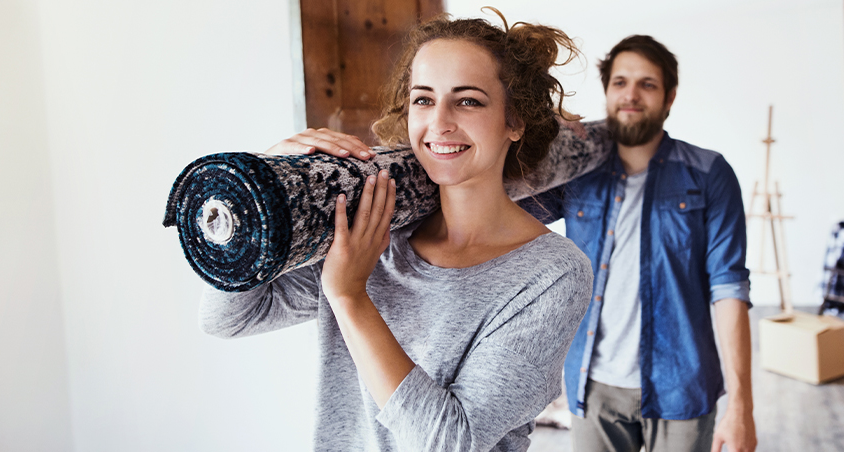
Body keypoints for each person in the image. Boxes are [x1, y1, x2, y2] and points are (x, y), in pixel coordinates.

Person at [198, 12, 594, 451]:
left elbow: (450, 441)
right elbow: (228, 318)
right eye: (423, 99)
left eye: (468, 101)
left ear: (514, 121)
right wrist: (257, 189)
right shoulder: (375, 231)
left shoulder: (551, 273)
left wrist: (350, 297)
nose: (439, 121)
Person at [520, 35, 757, 452]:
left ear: (670, 97)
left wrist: (741, 406)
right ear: (608, 92)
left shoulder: (709, 173)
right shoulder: (576, 174)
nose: (631, 94)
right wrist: (545, 135)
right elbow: (502, 205)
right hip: (593, 386)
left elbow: (729, 288)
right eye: (620, 82)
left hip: (682, 383)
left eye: (647, 84)